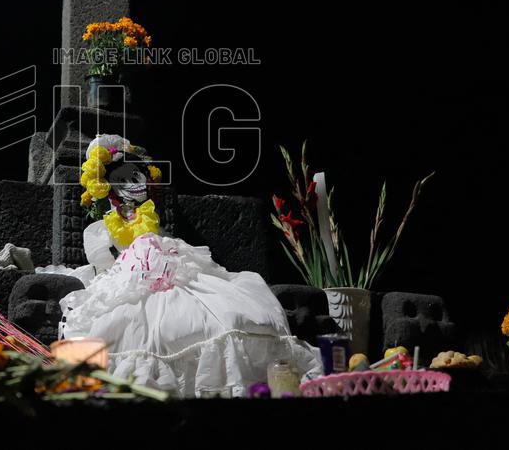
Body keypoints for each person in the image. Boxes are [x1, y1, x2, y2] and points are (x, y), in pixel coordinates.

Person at [42, 134, 321, 398]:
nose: (132, 182)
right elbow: (102, 265)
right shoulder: (102, 227)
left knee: (225, 314)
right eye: (122, 179)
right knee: (140, 330)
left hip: (177, 270)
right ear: (107, 186)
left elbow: (165, 243)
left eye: (136, 175)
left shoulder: (152, 218)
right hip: (132, 278)